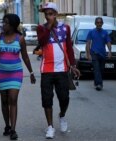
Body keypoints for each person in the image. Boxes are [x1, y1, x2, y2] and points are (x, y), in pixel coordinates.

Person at [0, 13, 36, 140]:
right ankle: (7, 126)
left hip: (16, 73)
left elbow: (25, 56)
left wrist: (31, 72)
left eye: (7, 23)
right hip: (1, 73)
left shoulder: (20, 39)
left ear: (13, 25)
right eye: (3, 22)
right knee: (4, 101)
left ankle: (13, 130)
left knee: (13, 99)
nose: (4, 25)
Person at [37, 2, 80, 139]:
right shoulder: (41, 28)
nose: (47, 16)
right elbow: (42, 42)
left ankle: (62, 115)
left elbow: (68, 48)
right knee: (47, 99)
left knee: (64, 98)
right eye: (46, 14)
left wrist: (73, 65)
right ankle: (50, 127)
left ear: (55, 15)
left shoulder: (65, 28)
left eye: (50, 14)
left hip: (62, 70)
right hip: (47, 70)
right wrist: (48, 27)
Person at [85, 17, 112, 91]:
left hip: (102, 54)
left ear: (102, 23)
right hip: (94, 53)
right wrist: (88, 54)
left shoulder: (105, 32)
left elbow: (108, 42)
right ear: (95, 23)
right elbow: (88, 43)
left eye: (100, 23)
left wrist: (109, 51)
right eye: (97, 22)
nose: (99, 24)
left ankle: (96, 82)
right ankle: (99, 84)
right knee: (96, 69)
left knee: (101, 70)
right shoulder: (91, 32)